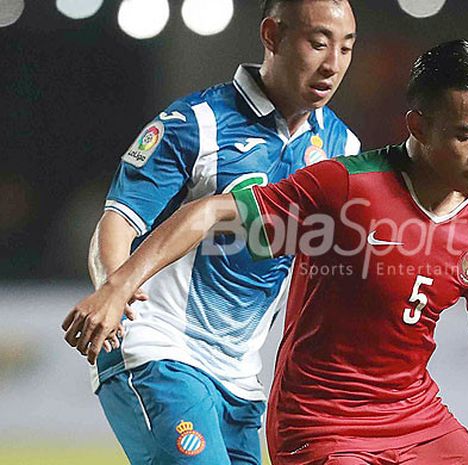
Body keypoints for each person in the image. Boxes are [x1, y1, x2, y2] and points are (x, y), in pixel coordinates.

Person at [64, 40, 468, 465]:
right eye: (464, 134)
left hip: (416, 420)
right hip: (323, 423)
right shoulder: (346, 185)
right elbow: (210, 210)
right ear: (418, 128)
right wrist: (117, 285)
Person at [61, 1, 358, 464]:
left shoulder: (344, 151)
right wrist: (112, 291)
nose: (332, 63)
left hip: (240, 379)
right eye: (318, 43)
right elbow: (118, 219)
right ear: (272, 36)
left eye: (345, 48)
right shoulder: (196, 122)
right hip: (160, 349)